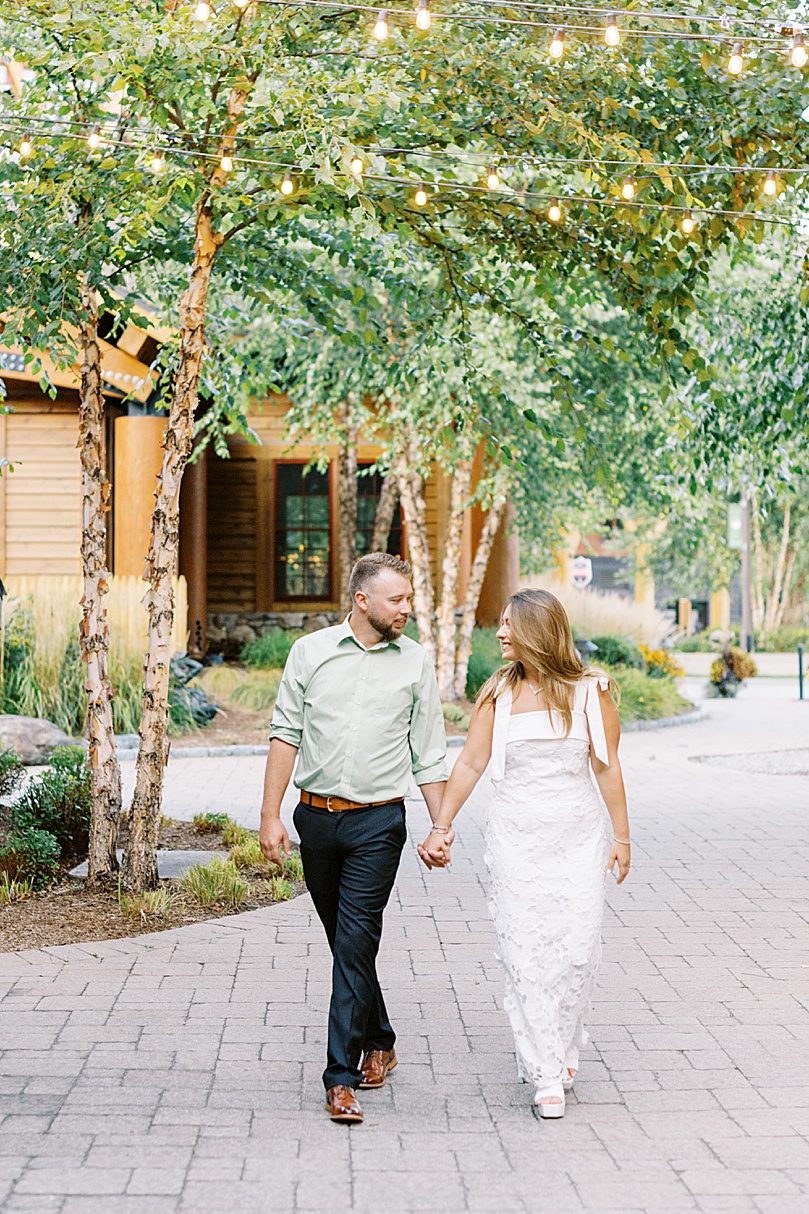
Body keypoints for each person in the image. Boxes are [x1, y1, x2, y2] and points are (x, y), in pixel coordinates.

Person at [418, 588, 630, 1119]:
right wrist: (441, 825)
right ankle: (545, 1071)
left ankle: (564, 1040)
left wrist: (622, 837)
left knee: (577, 949)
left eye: (510, 624)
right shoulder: (499, 693)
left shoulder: (591, 692)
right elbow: (468, 764)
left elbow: (607, 768)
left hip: (577, 838)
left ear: (538, 629)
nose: (500, 632)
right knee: (526, 952)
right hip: (515, 839)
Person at [259, 552, 449, 1124]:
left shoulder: (415, 662)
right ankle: (382, 1039)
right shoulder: (310, 653)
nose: (407, 609)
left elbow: (430, 752)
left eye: (409, 598)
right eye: (398, 599)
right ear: (362, 601)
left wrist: (441, 828)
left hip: (378, 824)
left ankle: (340, 1077)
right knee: (349, 945)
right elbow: (284, 735)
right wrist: (270, 816)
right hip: (314, 819)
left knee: (353, 941)